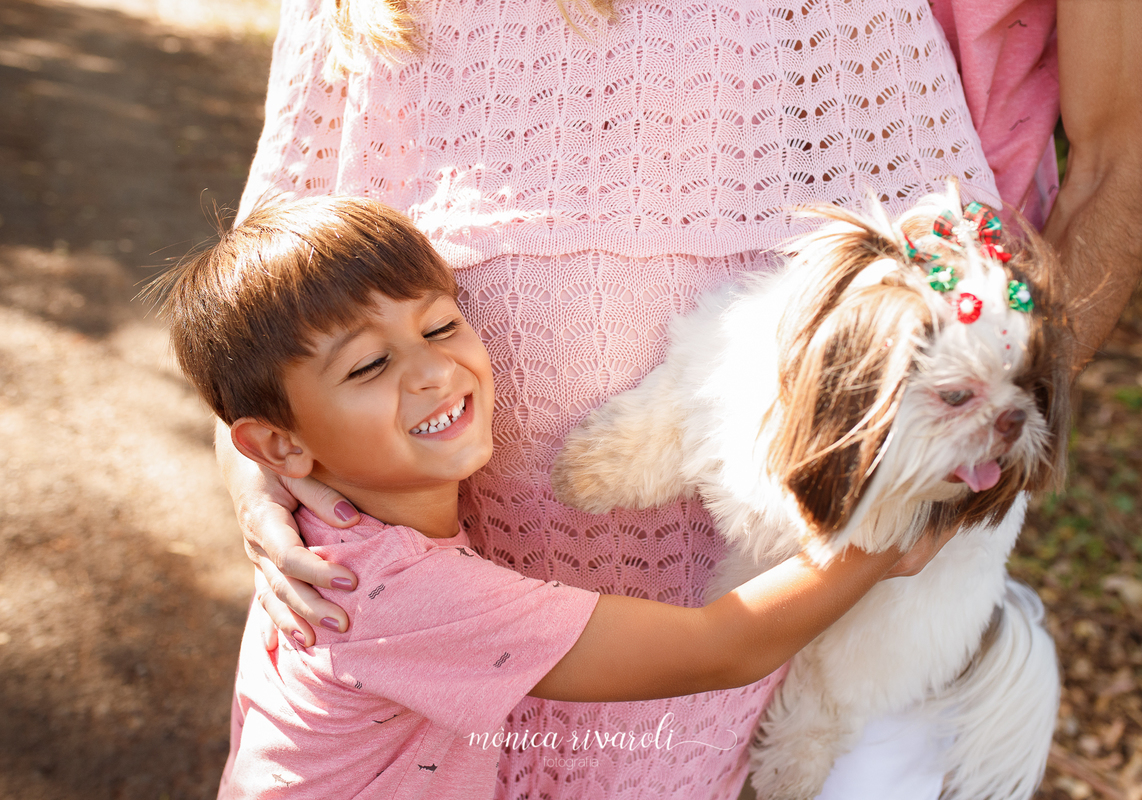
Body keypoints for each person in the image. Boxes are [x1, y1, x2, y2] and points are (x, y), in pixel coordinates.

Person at [219, 0, 1142, 797]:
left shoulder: (848, 25)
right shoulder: (360, 15)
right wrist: (252, 470)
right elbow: (257, 303)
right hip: (435, 689)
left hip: (762, 670)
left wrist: (917, 505)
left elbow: (970, 284)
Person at [163, 194, 941, 799]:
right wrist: (873, 546)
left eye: (439, 327)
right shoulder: (397, 592)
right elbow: (721, 647)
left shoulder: (328, 524)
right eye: (368, 367)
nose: (431, 371)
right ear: (279, 446)